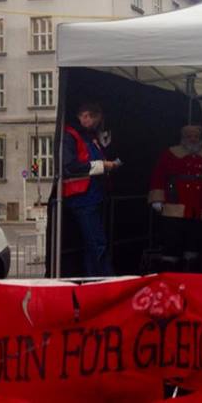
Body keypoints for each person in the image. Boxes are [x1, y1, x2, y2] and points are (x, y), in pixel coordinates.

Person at [147, 125, 202, 270]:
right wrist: (157, 198)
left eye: (196, 136)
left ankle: (190, 274)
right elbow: (159, 175)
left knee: (194, 245)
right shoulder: (171, 153)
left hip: (198, 207)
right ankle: (170, 277)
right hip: (175, 205)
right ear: (183, 138)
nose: (193, 139)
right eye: (189, 136)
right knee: (172, 243)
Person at [62, 102, 119, 277]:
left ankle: (95, 278)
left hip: (93, 195)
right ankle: (104, 279)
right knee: (97, 243)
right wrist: (103, 165)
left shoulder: (89, 136)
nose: (96, 125)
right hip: (82, 197)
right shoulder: (70, 135)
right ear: (85, 116)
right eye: (95, 120)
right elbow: (69, 166)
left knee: (93, 244)